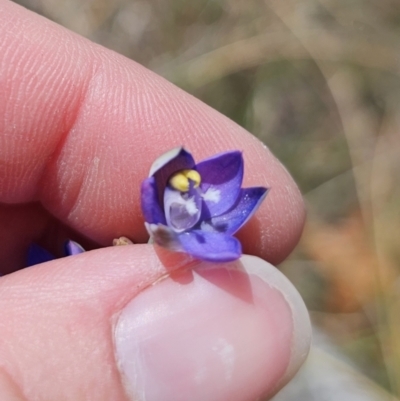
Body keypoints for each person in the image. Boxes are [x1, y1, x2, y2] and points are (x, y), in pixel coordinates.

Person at [0, 1, 311, 400]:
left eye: (190, 187)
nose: (190, 195)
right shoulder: (160, 209)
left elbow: (227, 196)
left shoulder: (212, 232)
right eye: (180, 187)